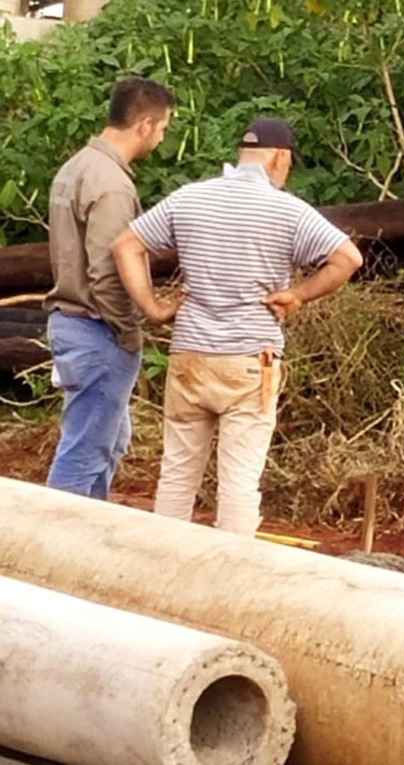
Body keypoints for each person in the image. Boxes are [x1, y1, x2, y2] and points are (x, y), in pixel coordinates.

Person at [111, 117, 364, 535]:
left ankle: (158, 568)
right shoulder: (287, 210)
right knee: (239, 482)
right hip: (249, 358)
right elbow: (349, 259)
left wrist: (154, 308)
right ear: (280, 158)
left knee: (177, 474)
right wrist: (299, 294)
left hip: (190, 352)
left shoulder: (189, 199)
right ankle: (230, 582)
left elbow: (126, 245)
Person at [44, 76, 175, 500]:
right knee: (85, 451)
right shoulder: (113, 184)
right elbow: (108, 268)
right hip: (98, 329)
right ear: (144, 125)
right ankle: (58, 546)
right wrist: (129, 330)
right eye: (163, 128)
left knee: (107, 441)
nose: (161, 138)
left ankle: (87, 536)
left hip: (71, 323)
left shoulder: (75, 167)